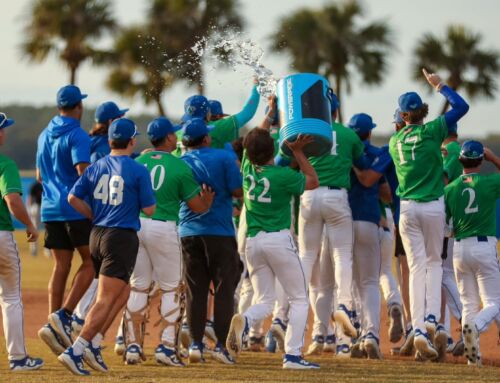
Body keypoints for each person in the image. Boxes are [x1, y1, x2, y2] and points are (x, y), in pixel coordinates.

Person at [58, 118, 156, 375]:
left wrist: (92, 214)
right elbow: (149, 208)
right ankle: (76, 350)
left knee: (122, 293)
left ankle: (94, 344)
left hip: (97, 234)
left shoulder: (96, 165)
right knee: (106, 298)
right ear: (132, 141)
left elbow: (72, 197)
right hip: (120, 236)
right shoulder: (137, 169)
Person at [388, 68, 469, 360]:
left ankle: (419, 328)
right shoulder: (433, 131)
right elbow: (462, 107)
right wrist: (439, 86)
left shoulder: (394, 142)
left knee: (416, 267)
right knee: (435, 265)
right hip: (433, 206)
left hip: (407, 209)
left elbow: (403, 130)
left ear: (401, 116)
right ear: (422, 112)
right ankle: (434, 320)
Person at [122, 117, 214, 366]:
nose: (176, 136)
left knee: (139, 286)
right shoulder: (179, 166)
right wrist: (208, 200)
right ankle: (165, 347)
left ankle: (131, 347)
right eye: (173, 134)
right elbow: (197, 206)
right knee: (172, 289)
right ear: (169, 138)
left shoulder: (138, 162)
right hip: (164, 228)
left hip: (137, 226)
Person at [226, 128, 320, 369]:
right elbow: (313, 180)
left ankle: (245, 320)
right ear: (272, 151)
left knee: (265, 300)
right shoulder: (282, 175)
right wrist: (297, 152)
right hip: (278, 240)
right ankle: (292, 356)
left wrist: (268, 116)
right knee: (299, 299)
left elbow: (251, 146)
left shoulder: (246, 168)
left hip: (253, 243)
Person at [298, 92, 368, 357]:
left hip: (309, 194)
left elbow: (288, 160)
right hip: (337, 196)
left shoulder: (309, 134)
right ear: (337, 112)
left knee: (306, 256)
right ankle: (345, 306)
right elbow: (362, 163)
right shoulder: (349, 135)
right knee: (342, 257)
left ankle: (294, 305)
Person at [178, 118, 243, 364]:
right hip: (220, 231)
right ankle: (222, 347)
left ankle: (196, 345)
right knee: (224, 289)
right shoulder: (223, 157)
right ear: (206, 138)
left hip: (188, 231)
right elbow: (237, 192)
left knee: (196, 290)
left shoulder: (181, 161)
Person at [36, 85, 95, 356]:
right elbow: (83, 172)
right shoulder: (78, 134)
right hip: (73, 207)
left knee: (61, 266)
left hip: (49, 208)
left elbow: (39, 175)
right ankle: (65, 316)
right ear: (78, 107)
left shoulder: (43, 134)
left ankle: (52, 323)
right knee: (92, 262)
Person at [71, 100, 129, 336]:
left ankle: (76, 316)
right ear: (110, 123)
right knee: (104, 274)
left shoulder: (90, 141)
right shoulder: (106, 149)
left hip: (94, 215)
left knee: (98, 270)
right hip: (110, 216)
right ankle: (78, 317)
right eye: (118, 118)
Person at [444, 141, 500, 367]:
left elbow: (446, 227)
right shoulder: (490, 183)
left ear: (461, 161)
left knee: (468, 303)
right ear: (480, 160)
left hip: (459, 248)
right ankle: (474, 327)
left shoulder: (449, 189)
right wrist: (494, 158)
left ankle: (473, 360)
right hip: (484, 245)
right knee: (494, 302)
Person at [0, 113, 44, 371]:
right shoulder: (5, 164)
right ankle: (17, 359)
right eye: (2, 129)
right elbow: (14, 201)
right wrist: (29, 224)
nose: (5, 132)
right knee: (11, 297)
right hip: (2, 234)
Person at [346, 113, 384, 359]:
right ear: (369, 132)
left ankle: (356, 337)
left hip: (343, 221)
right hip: (369, 219)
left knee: (352, 283)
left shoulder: (343, 151)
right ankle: (370, 335)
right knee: (370, 282)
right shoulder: (379, 153)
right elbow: (387, 192)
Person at [173, 83, 259, 156]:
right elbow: (247, 113)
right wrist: (256, 87)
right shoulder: (215, 128)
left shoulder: (177, 133)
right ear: (208, 113)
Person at [26, 180, 43, 256]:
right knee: (34, 229)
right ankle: (33, 250)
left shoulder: (47, 183)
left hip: (45, 208)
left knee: (49, 229)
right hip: (37, 208)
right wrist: (29, 209)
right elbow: (30, 198)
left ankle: (49, 250)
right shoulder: (35, 185)